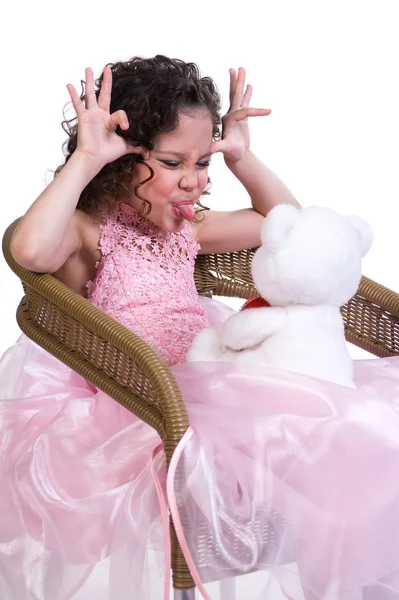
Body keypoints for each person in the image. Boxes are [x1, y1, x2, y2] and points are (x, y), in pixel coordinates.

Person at [1, 55, 399, 600]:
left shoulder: (188, 225)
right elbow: (28, 249)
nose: (193, 181)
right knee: (267, 431)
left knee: (344, 418)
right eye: (171, 162)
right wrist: (86, 159)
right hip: (136, 395)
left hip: (211, 370)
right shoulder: (86, 231)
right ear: (124, 157)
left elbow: (292, 229)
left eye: (203, 162)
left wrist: (243, 159)